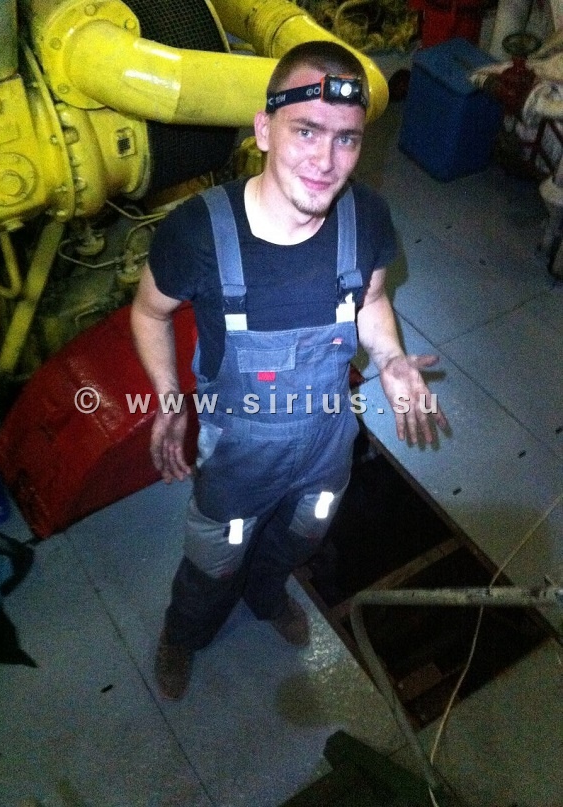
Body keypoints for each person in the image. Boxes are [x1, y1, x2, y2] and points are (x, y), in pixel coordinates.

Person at [131, 40, 448, 700]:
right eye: (306, 131)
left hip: (327, 446)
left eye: (346, 139)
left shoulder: (367, 218)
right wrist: (168, 398)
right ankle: (184, 632)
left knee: (302, 533)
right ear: (263, 129)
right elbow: (148, 311)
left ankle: (268, 592)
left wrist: (390, 358)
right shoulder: (198, 232)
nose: (326, 161)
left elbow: (373, 300)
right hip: (238, 459)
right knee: (213, 558)